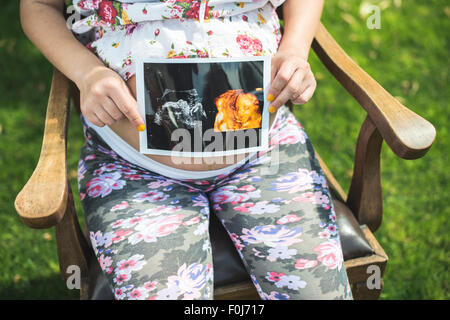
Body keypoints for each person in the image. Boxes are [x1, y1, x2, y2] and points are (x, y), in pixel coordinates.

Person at [20, 0, 353, 300]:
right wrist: (86, 73)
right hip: (131, 169)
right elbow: (39, 5)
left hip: (265, 155)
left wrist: (295, 49)